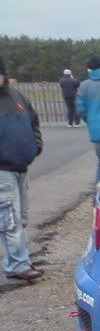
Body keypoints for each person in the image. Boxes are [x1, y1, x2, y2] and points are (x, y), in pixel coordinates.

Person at [0, 54, 43, 281]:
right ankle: (18, 265)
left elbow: (34, 123)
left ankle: (17, 260)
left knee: (21, 217)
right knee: (10, 219)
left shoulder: (17, 96)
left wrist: (35, 146)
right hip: (2, 171)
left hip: (21, 167)